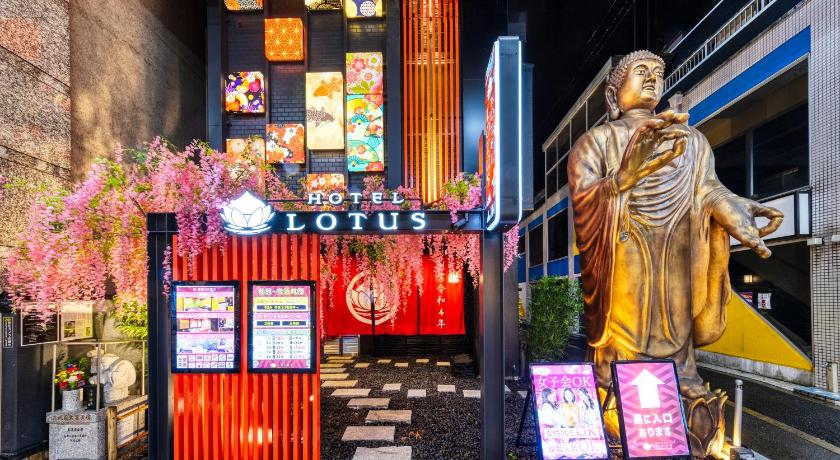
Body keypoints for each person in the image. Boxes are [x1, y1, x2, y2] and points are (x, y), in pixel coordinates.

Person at [568, 50, 782, 399]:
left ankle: (681, 378)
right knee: (626, 327)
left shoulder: (691, 141)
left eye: (657, 72)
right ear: (613, 95)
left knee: (677, 320)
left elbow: (709, 190)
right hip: (624, 250)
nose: (651, 78)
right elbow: (584, 200)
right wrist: (621, 180)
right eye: (641, 71)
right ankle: (617, 383)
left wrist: (734, 212)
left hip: (678, 253)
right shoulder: (596, 141)